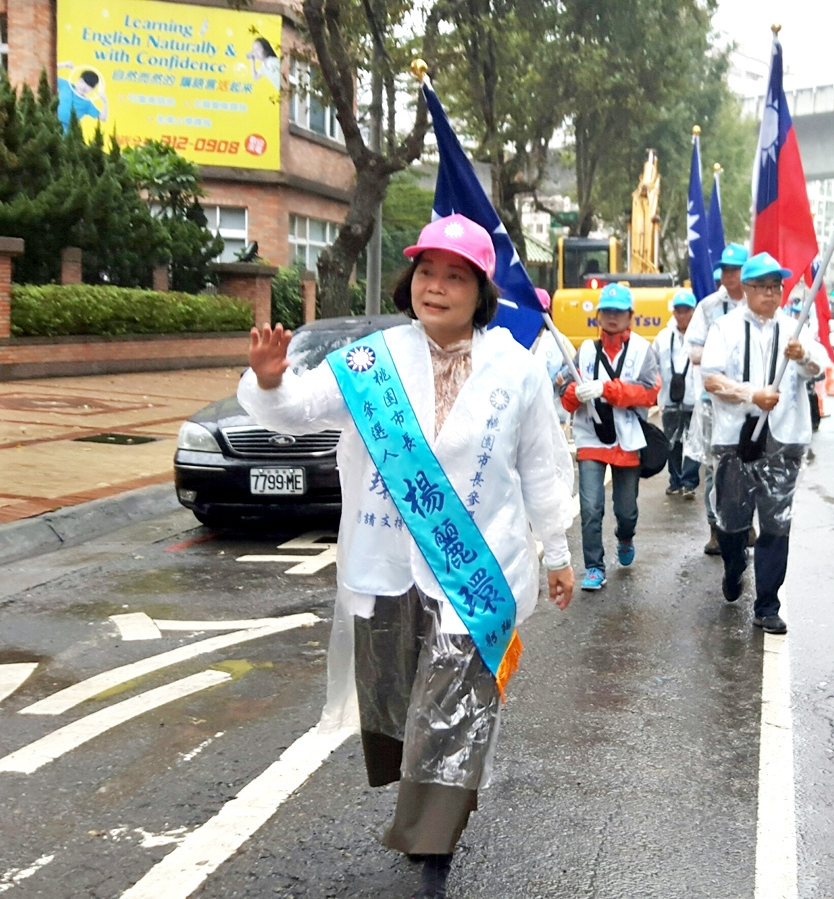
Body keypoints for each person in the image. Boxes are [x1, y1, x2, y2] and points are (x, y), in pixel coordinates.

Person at [238, 214, 576, 899]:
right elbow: (297, 407)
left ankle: (432, 845)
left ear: (481, 291)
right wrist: (271, 382)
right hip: (388, 560)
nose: (437, 286)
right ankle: (430, 794)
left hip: (481, 567)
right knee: (396, 700)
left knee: (454, 704)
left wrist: (559, 550)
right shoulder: (372, 362)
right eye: (427, 271)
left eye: (456, 276)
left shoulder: (518, 369)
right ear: (409, 280)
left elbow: (542, 466)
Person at [701, 252, 829, 636]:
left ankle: (767, 605)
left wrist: (803, 355)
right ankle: (734, 565)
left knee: (777, 524)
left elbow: (819, 367)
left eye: (777, 287)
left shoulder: (795, 328)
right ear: (748, 289)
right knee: (732, 520)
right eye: (764, 287)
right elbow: (711, 379)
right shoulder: (723, 327)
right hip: (734, 440)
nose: (772, 294)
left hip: (784, 440)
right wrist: (750, 394)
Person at [562, 282, 659, 591]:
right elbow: (566, 396)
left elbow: (650, 393)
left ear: (630, 316)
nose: (613, 317)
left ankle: (625, 536)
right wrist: (575, 394)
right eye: (607, 311)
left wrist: (608, 389)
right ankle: (593, 566)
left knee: (626, 510)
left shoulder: (644, 351)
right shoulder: (586, 351)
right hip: (591, 438)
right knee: (590, 507)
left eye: (619, 312)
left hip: (628, 440)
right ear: (599, 316)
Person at [686, 242, 748, 555]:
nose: (728, 275)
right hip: (714, 402)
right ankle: (715, 528)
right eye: (724, 269)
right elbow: (692, 347)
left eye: (734, 269)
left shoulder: (756, 307)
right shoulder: (709, 306)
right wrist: (716, 351)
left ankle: (745, 524)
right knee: (716, 466)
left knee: (750, 463)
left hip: (750, 403)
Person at [653, 289, 701, 498]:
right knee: (672, 442)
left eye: (686, 310)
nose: (682, 315)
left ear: (694, 311)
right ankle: (675, 480)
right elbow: (653, 364)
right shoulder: (663, 338)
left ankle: (689, 482)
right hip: (670, 399)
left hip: (695, 398)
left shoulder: (702, 336)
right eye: (678, 311)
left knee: (694, 441)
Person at [530, 287, 569, 424]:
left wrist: (563, 377)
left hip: (554, 415)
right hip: (526, 415)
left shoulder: (558, 339)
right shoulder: (517, 338)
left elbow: (574, 368)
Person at [56, 63, 107, 132]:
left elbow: (102, 118)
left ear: (92, 89)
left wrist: (105, 102)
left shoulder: (87, 103)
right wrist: (63, 65)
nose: (84, 87)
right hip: (51, 122)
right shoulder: (66, 85)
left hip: (67, 131)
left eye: (89, 86)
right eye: (82, 82)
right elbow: (47, 73)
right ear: (78, 80)